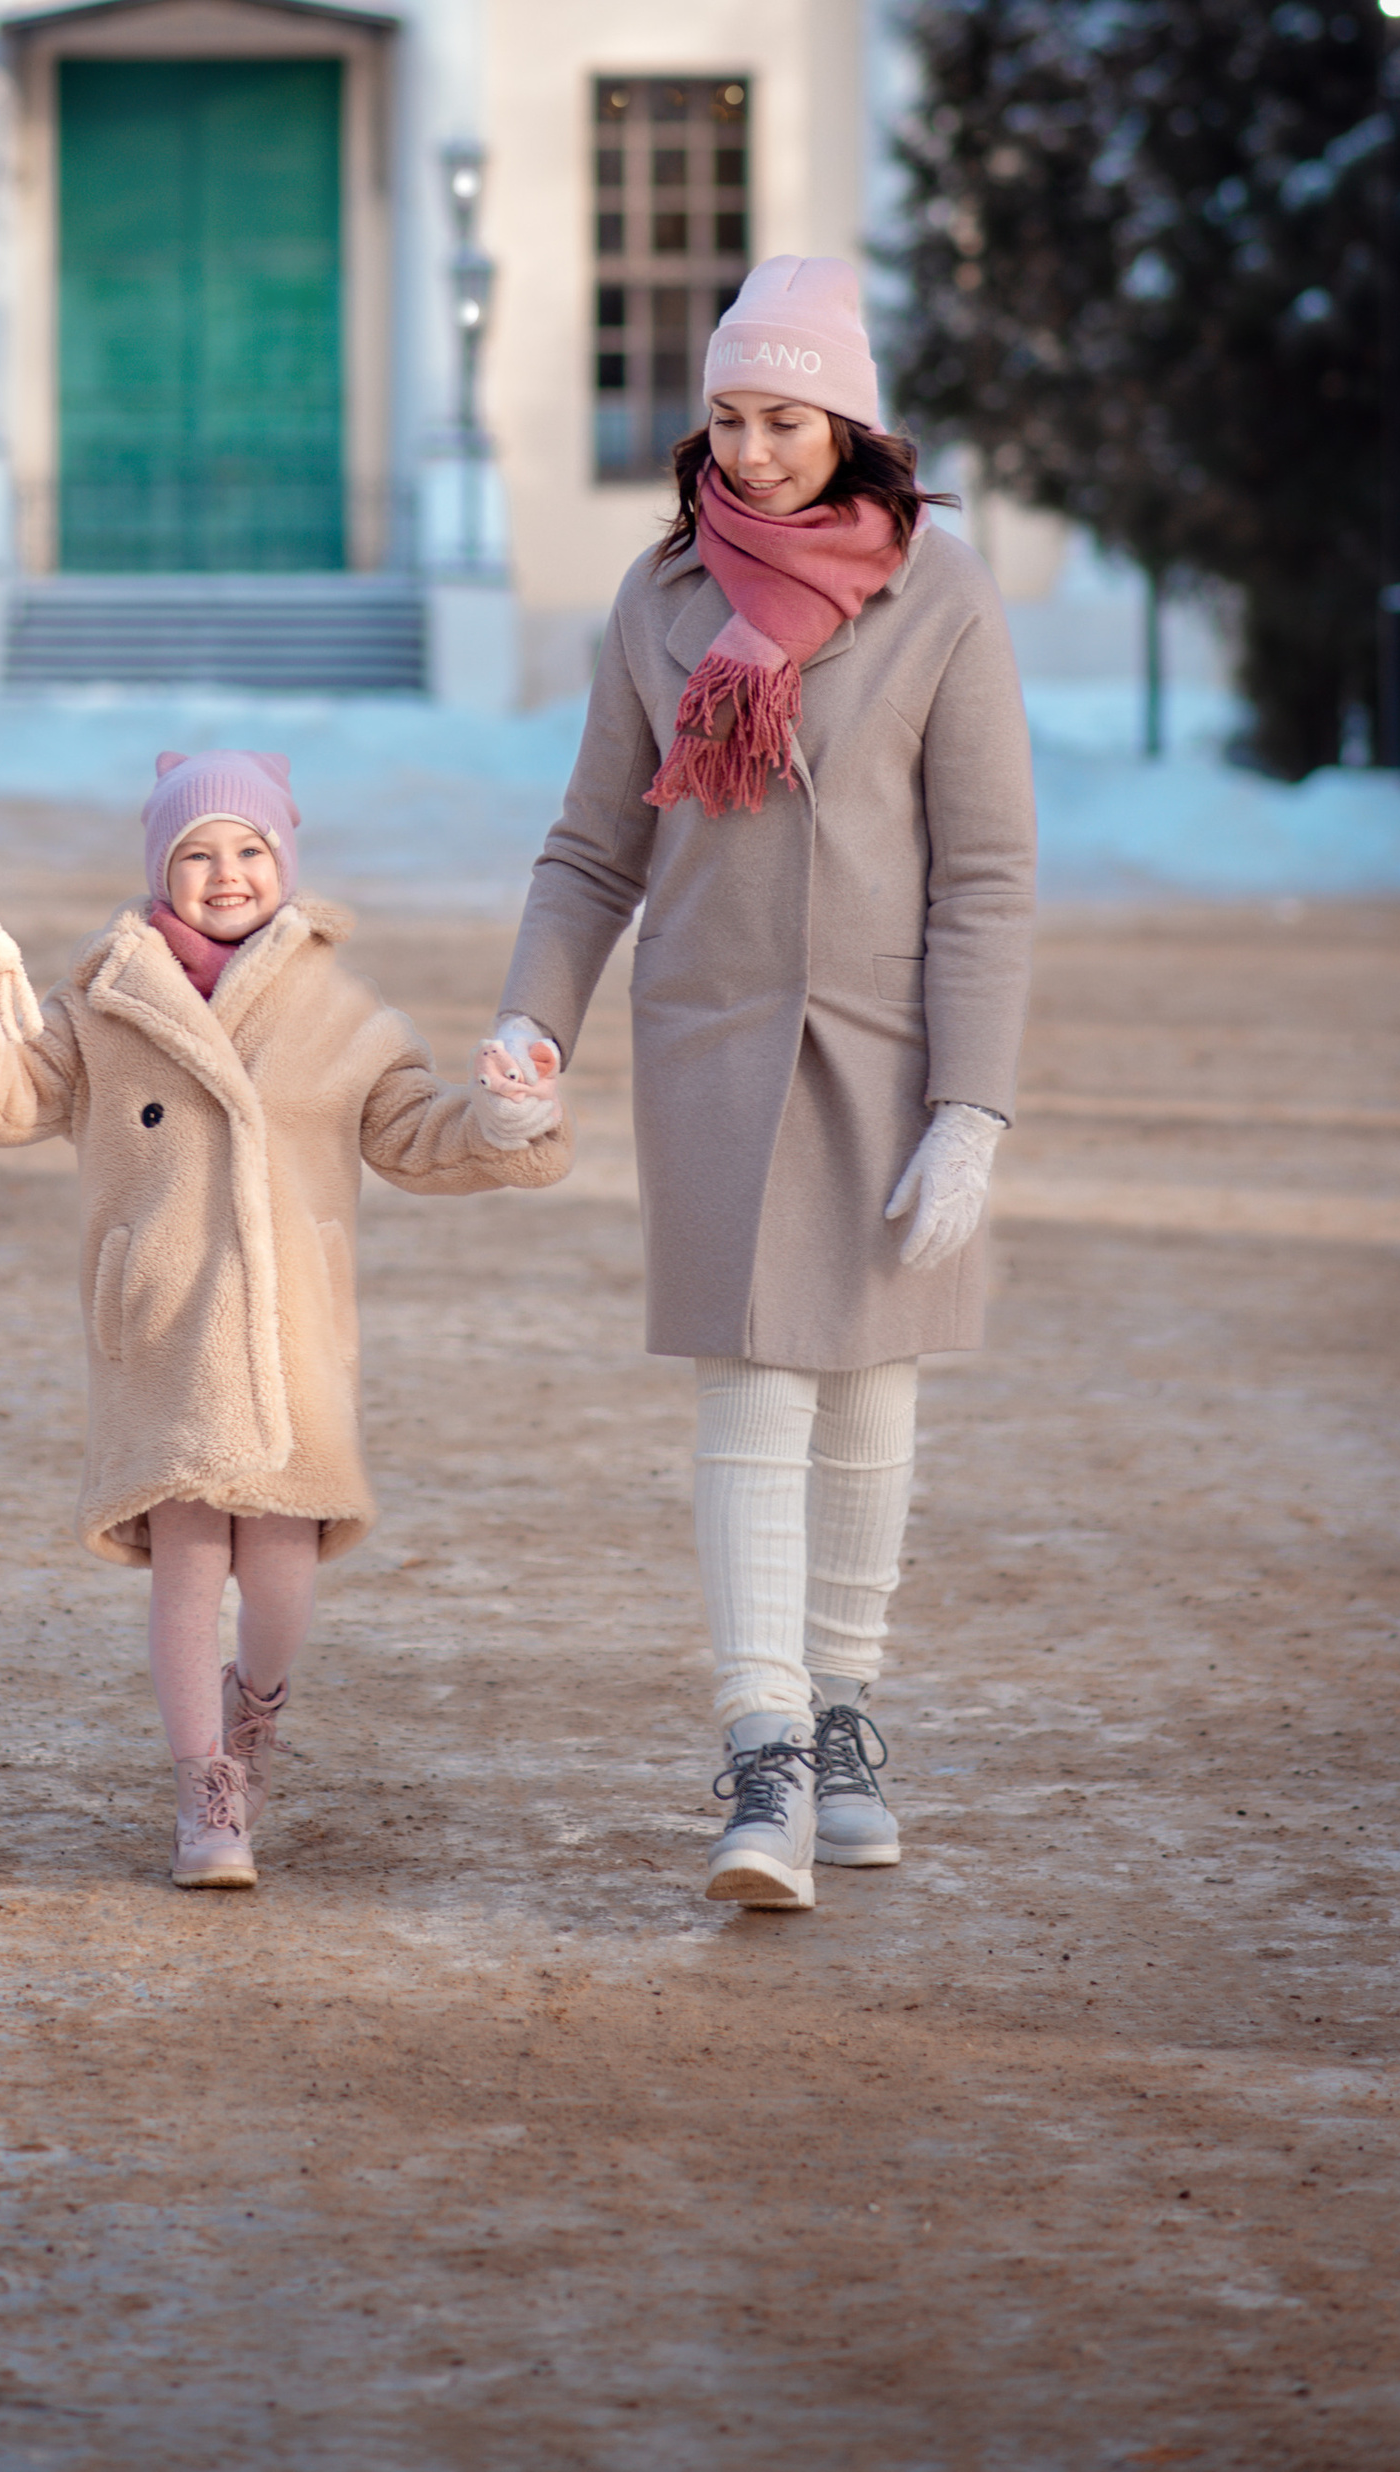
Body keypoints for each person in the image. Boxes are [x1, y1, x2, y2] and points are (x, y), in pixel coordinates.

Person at [484, 257, 1034, 1911]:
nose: (752, 450)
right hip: (715, 1039)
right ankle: (762, 1750)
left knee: (871, 1385)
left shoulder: (941, 593)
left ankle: (847, 1711)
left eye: (785, 420)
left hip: (886, 1043)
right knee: (749, 1389)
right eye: (727, 418)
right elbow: (595, 847)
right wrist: (532, 1021)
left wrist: (978, 1108)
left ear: (851, 422)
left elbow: (990, 871)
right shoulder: (659, 596)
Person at [0, 748, 570, 1886]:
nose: (226, 871)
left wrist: (503, 1118)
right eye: (196, 852)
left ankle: (255, 1715)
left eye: (249, 849)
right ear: (161, 868)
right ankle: (203, 1784)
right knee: (190, 1558)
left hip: (290, 1330)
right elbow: (12, 1099)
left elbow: (412, 1131)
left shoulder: (338, 1009)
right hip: (165, 1328)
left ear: (284, 862)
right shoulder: (108, 999)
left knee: (284, 1562)